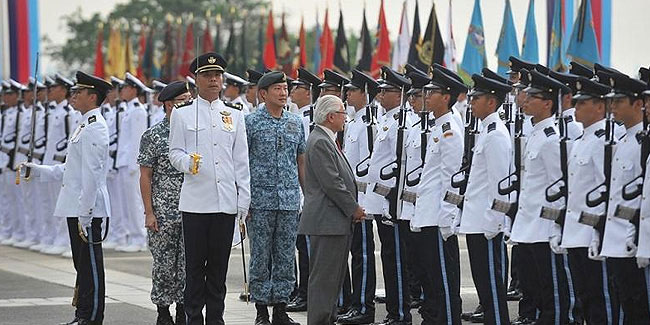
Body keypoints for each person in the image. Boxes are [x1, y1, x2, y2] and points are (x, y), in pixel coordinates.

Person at [22, 71, 112, 325]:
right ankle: (82, 314)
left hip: (87, 209)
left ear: (92, 96)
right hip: (77, 205)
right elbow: (69, 169)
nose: (73, 96)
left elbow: (92, 175)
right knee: (82, 266)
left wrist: (86, 212)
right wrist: (38, 170)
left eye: (78, 92)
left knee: (91, 268)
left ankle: (91, 317)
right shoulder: (83, 125)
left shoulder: (95, 128)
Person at [168, 52, 250, 325]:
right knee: (194, 269)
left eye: (217, 75)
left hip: (225, 202)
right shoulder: (182, 114)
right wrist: (186, 162)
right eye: (207, 75)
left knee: (218, 270)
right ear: (196, 79)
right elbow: (174, 152)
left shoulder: (234, 115)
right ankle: (194, 318)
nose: (213, 79)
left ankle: (216, 318)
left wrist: (243, 201)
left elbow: (241, 161)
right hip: (195, 202)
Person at [510, 70, 572, 324]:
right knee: (535, 286)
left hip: (545, 227)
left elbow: (560, 187)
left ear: (547, 103)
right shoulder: (536, 133)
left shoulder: (550, 139)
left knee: (552, 293)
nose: (525, 100)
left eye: (533, 97)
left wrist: (557, 228)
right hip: (529, 225)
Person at [245, 71, 305, 325]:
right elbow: (242, 162)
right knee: (260, 255)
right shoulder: (250, 122)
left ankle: (281, 308)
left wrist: (307, 194)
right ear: (263, 94)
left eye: (285, 88)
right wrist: (243, 199)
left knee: (284, 255)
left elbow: (301, 159)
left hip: (289, 200)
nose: (283, 93)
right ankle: (261, 311)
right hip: (259, 201)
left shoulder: (295, 122)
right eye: (277, 89)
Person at [299, 94, 365, 325]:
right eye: (342, 113)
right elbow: (333, 183)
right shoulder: (319, 141)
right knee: (324, 280)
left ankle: (327, 319)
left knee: (332, 279)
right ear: (330, 117)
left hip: (334, 221)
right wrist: (353, 208)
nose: (345, 118)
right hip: (327, 221)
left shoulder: (327, 139)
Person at [560, 76, 621, 324]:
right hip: (575, 232)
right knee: (584, 297)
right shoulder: (580, 141)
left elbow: (607, 191)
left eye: (582, 102)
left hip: (592, 233)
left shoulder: (603, 143)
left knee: (601, 301)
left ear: (599, 106)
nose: (576, 107)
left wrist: (600, 234)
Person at [410, 68, 468, 324]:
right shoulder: (439, 125)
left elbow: (451, 178)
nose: (426, 96)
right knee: (432, 278)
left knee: (444, 279)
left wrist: (447, 219)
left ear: (446, 97)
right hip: (428, 215)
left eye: (432, 92)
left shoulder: (449, 129)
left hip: (438, 217)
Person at [597, 71, 650, 322]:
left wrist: (635, 236)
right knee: (625, 303)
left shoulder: (642, 143)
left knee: (637, 307)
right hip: (616, 238)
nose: (613, 107)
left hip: (633, 240)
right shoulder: (625, 140)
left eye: (619, 102)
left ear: (638, 104)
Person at [138, 81, 192, 325]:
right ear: (170, 105)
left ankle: (183, 309)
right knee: (163, 263)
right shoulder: (153, 135)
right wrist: (149, 213)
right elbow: (145, 176)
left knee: (188, 262)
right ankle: (162, 309)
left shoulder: (194, 134)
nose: (190, 105)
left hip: (191, 207)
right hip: (163, 210)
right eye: (184, 101)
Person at [365, 66, 413, 325]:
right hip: (380, 202)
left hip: (391, 204)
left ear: (400, 94)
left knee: (396, 260)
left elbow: (399, 166)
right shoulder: (387, 120)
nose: (381, 95)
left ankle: (401, 314)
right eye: (381, 90)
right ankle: (395, 312)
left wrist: (389, 201)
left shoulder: (402, 124)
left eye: (387, 91)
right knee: (388, 257)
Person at [337, 69, 379, 325]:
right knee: (354, 253)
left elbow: (368, 166)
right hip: (351, 199)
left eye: (352, 90)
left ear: (365, 94)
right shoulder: (353, 123)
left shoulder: (368, 125)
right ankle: (354, 303)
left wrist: (360, 203)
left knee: (363, 255)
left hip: (362, 201)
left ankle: (364, 306)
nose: (347, 94)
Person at [287, 67, 322, 313]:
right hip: (299, 191)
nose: (291, 91)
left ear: (308, 92)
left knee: (308, 246)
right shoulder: (298, 117)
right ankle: (301, 292)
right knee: (300, 244)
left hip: (308, 190)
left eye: (297, 88)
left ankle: (309, 295)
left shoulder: (310, 120)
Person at [114, 72, 148, 252]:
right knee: (126, 201)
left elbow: (138, 139)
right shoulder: (128, 110)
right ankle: (130, 235)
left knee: (134, 201)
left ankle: (139, 237)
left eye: (125, 88)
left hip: (131, 163)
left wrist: (136, 165)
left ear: (134, 90)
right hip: (122, 161)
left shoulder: (138, 111)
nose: (122, 91)